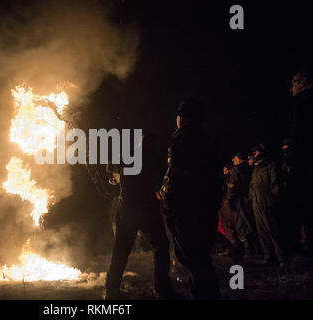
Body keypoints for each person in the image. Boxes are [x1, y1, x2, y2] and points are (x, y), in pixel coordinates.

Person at [157, 98, 222, 299]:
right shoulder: (208, 141)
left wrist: (168, 205)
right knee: (200, 257)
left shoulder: (181, 140)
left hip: (186, 210)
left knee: (193, 259)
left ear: (182, 118)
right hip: (206, 208)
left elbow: (175, 176)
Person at [105, 132, 174, 300]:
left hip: (128, 206)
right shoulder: (153, 157)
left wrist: (117, 177)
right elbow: (162, 178)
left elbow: (110, 168)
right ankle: (162, 288)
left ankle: (111, 291)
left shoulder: (128, 155)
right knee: (161, 246)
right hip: (145, 205)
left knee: (121, 249)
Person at [249, 144, 286, 267]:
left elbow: (276, 185)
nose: (254, 154)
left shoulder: (270, 165)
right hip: (256, 203)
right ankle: (268, 256)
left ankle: (282, 258)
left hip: (267, 202)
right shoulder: (256, 168)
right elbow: (253, 185)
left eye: (256, 152)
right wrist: (251, 199)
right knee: (262, 231)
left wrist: (273, 201)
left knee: (272, 230)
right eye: (254, 153)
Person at [288, 65, 313, 254]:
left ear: (303, 83)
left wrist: (293, 160)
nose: (291, 89)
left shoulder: (302, 103)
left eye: (294, 84)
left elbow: (300, 136)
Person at [225, 152, 257, 258]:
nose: (233, 161)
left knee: (242, 225)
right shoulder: (250, 168)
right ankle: (256, 250)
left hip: (240, 200)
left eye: (234, 158)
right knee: (251, 223)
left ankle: (249, 252)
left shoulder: (236, 170)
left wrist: (229, 199)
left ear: (238, 159)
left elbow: (232, 187)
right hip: (251, 199)